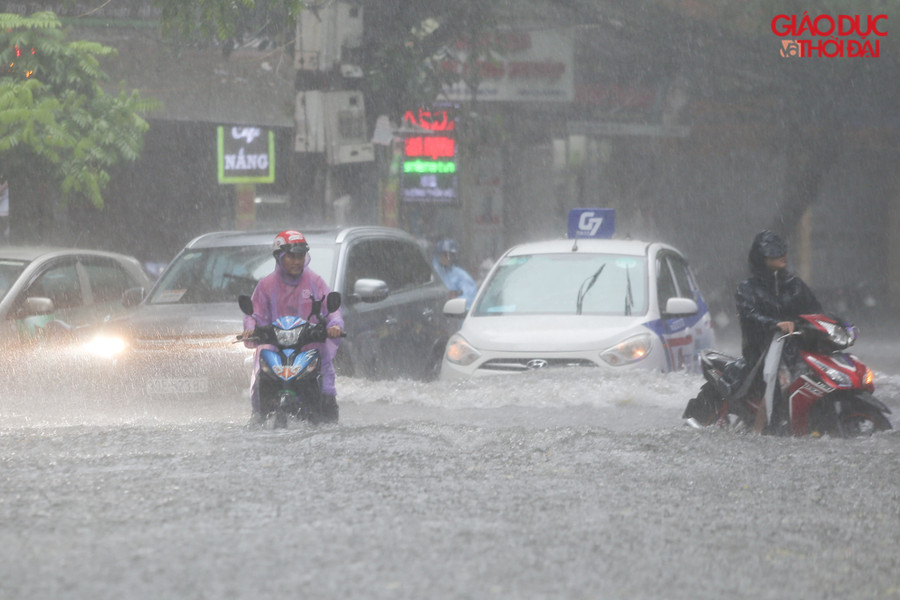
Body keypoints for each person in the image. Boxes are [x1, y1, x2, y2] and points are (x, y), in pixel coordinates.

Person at [242, 230, 344, 425]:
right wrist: (251, 328)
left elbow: (333, 311)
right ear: (279, 257)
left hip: (310, 348)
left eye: (300, 256)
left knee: (326, 393)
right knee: (261, 382)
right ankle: (260, 417)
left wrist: (335, 325)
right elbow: (253, 314)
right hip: (275, 350)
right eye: (291, 256)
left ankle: (327, 421)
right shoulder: (265, 286)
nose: (297, 261)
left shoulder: (315, 282)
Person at [735, 229, 822, 434]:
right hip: (763, 352)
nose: (782, 256)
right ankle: (762, 431)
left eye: (782, 252)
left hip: (798, 348)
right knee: (778, 385)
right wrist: (776, 324)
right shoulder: (747, 289)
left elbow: (816, 311)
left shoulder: (795, 285)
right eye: (774, 253)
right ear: (761, 258)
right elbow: (749, 316)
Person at [433, 238, 478, 308]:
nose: (449, 258)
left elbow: (470, 298)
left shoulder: (460, 275)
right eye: (445, 255)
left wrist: (454, 301)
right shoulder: (431, 272)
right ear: (438, 255)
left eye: (451, 255)